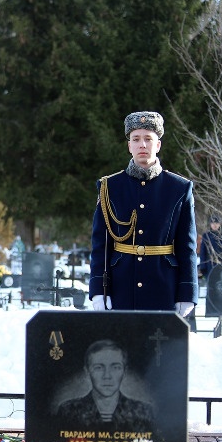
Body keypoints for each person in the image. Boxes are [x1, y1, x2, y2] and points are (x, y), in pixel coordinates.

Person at [89, 111, 198, 315]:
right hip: (120, 288)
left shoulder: (179, 188)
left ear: (158, 145)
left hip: (164, 288)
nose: (142, 145)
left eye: (148, 139)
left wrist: (187, 292)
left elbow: (187, 246)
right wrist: (98, 290)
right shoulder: (109, 187)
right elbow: (100, 245)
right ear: (129, 146)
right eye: (136, 139)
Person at [55, 340, 154, 428]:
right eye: (99, 368)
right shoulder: (69, 411)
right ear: (87, 372)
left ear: (124, 371)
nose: (107, 376)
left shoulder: (143, 412)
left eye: (115, 367)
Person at [199, 215, 222, 279]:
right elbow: (202, 252)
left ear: (219, 224)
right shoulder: (206, 236)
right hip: (209, 264)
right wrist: (202, 266)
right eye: (213, 223)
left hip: (221, 264)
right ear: (210, 224)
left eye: (216, 223)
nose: (214, 225)